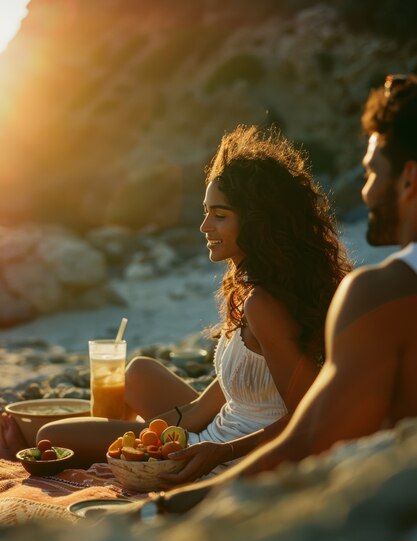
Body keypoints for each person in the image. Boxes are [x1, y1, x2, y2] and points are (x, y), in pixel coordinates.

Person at [149, 73, 417, 514]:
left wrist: (163, 507)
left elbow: (314, 436)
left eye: (371, 172)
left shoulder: (381, 294)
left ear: (409, 179)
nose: (365, 191)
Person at [30, 124, 350, 471]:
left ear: (259, 223)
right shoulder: (257, 288)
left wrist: (219, 452)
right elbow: (201, 408)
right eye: (205, 211)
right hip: (215, 429)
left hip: (228, 452)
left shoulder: (263, 304)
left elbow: (312, 415)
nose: (204, 227)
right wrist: (150, 440)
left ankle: (121, 469)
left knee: (52, 435)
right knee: (138, 372)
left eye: (220, 215)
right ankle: (129, 463)